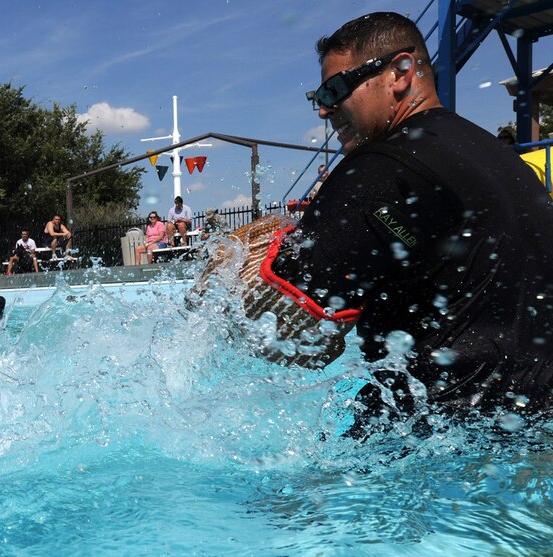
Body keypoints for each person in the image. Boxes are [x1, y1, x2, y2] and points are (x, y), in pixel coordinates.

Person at [195, 12, 553, 426]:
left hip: (442, 441)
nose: (325, 110)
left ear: (400, 72)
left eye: (336, 89)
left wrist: (219, 289)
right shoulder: (501, 158)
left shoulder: (382, 167)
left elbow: (297, 337)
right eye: (320, 95)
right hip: (532, 421)